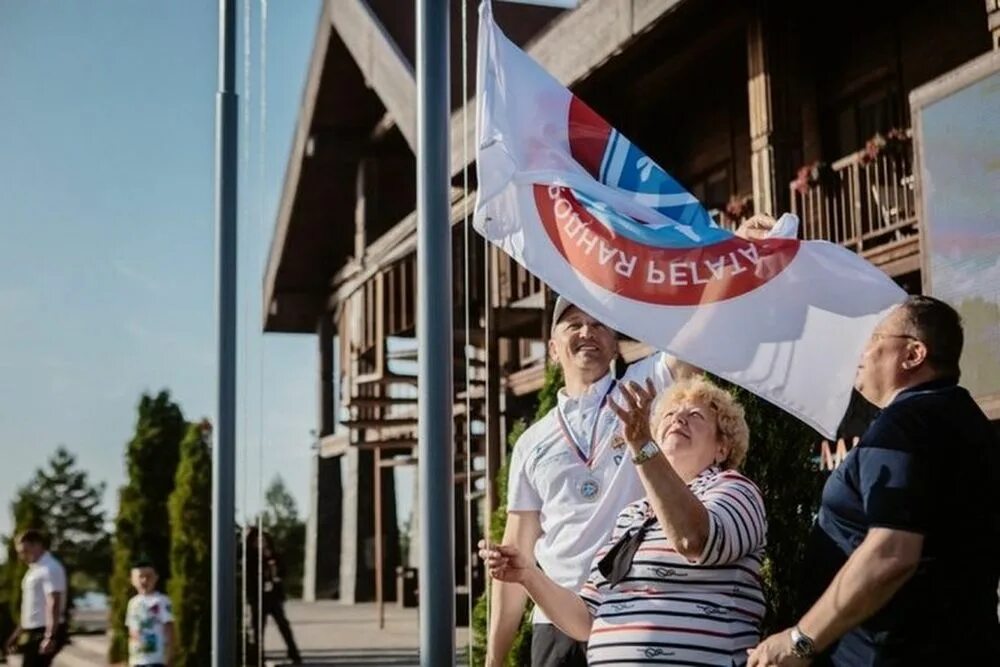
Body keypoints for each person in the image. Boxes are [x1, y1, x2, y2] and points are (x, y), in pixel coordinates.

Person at [484, 215, 774, 667]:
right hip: (557, 618)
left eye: (599, 324)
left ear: (616, 343)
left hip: (633, 603)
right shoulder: (531, 441)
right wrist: (494, 658)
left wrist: (732, 258)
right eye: (573, 325)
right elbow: (518, 547)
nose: (587, 332)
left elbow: (698, 338)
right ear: (553, 349)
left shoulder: (644, 390)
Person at [748, 295, 1000, 666]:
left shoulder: (904, 424)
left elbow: (892, 553)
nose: (860, 352)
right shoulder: (969, 423)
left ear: (913, 354)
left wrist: (799, 640)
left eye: (873, 339)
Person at [482, 376, 767, 665]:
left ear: (723, 448)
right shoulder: (633, 515)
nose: (678, 418)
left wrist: (643, 446)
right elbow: (584, 619)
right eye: (669, 414)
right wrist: (528, 575)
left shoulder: (734, 489)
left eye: (694, 415)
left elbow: (693, 540)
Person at [3, 530, 67, 667]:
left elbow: (54, 602)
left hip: (45, 630)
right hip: (34, 631)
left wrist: (50, 636)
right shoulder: (34, 571)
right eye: (20, 552)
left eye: (25, 550)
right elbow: (31, 608)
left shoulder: (50, 568)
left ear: (37, 545)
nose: (22, 556)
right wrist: (17, 634)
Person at [246, 528, 302, 666]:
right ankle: (258, 657)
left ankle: (294, 654)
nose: (261, 543)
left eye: (263, 540)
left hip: (274, 597)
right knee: (258, 629)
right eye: (257, 541)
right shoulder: (251, 558)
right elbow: (250, 579)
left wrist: (274, 567)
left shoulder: (273, 556)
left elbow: (282, 573)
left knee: (283, 626)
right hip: (258, 598)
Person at [125, 560, 175, 667]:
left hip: (155, 660)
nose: (144, 580)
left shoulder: (162, 601)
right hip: (136, 660)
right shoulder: (132, 603)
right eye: (140, 577)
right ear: (132, 580)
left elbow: (169, 628)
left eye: (148, 576)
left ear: (156, 578)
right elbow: (131, 630)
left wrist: (170, 654)